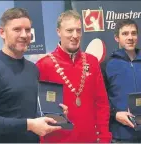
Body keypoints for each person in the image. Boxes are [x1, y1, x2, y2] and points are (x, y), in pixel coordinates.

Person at [0, 8, 66, 143]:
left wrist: (54, 114)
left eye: (27, 30)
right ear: (2, 32)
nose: (24, 35)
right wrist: (29, 125)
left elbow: (30, 112)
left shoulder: (32, 69)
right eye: (17, 29)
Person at [36, 10, 111, 143]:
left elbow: (102, 103)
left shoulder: (92, 62)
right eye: (69, 30)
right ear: (59, 32)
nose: (75, 35)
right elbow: (36, 109)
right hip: (57, 140)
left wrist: (104, 137)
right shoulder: (43, 65)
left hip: (90, 138)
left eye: (78, 30)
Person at [101, 19, 141, 143]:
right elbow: (100, 100)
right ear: (116, 38)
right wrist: (115, 114)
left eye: (133, 33)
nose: (130, 37)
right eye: (125, 34)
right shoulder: (107, 65)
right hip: (119, 136)